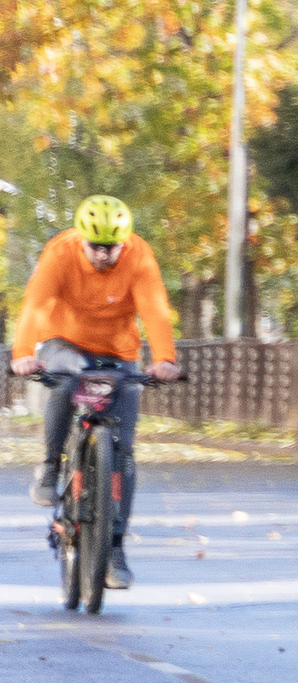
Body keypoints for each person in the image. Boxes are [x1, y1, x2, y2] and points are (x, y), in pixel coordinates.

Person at [8, 195, 182, 589]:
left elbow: (154, 309)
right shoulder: (60, 254)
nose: (103, 256)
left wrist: (165, 358)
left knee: (124, 452)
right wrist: (22, 354)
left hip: (118, 353)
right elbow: (35, 306)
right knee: (68, 377)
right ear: (81, 240)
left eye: (112, 247)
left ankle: (114, 550)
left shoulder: (139, 258)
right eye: (95, 247)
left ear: (125, 241)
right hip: (63, 343)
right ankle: (51, 466)